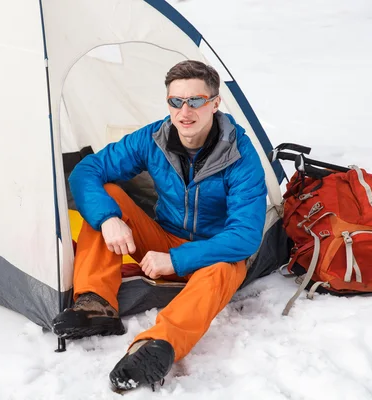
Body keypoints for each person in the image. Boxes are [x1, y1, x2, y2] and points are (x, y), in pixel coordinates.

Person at [52, 60, 267, 390]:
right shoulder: (154, 138)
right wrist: (108, 219)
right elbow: (87, 171)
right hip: (162, 239)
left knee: (224, 268)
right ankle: (96, 303)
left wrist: (177, 260)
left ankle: (156, 346)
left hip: (214, 254)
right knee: (107, 197)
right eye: (175, 101)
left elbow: (246, 235)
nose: (185, 111)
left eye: (196, 100)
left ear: (215, 103)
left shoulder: (240, 156)